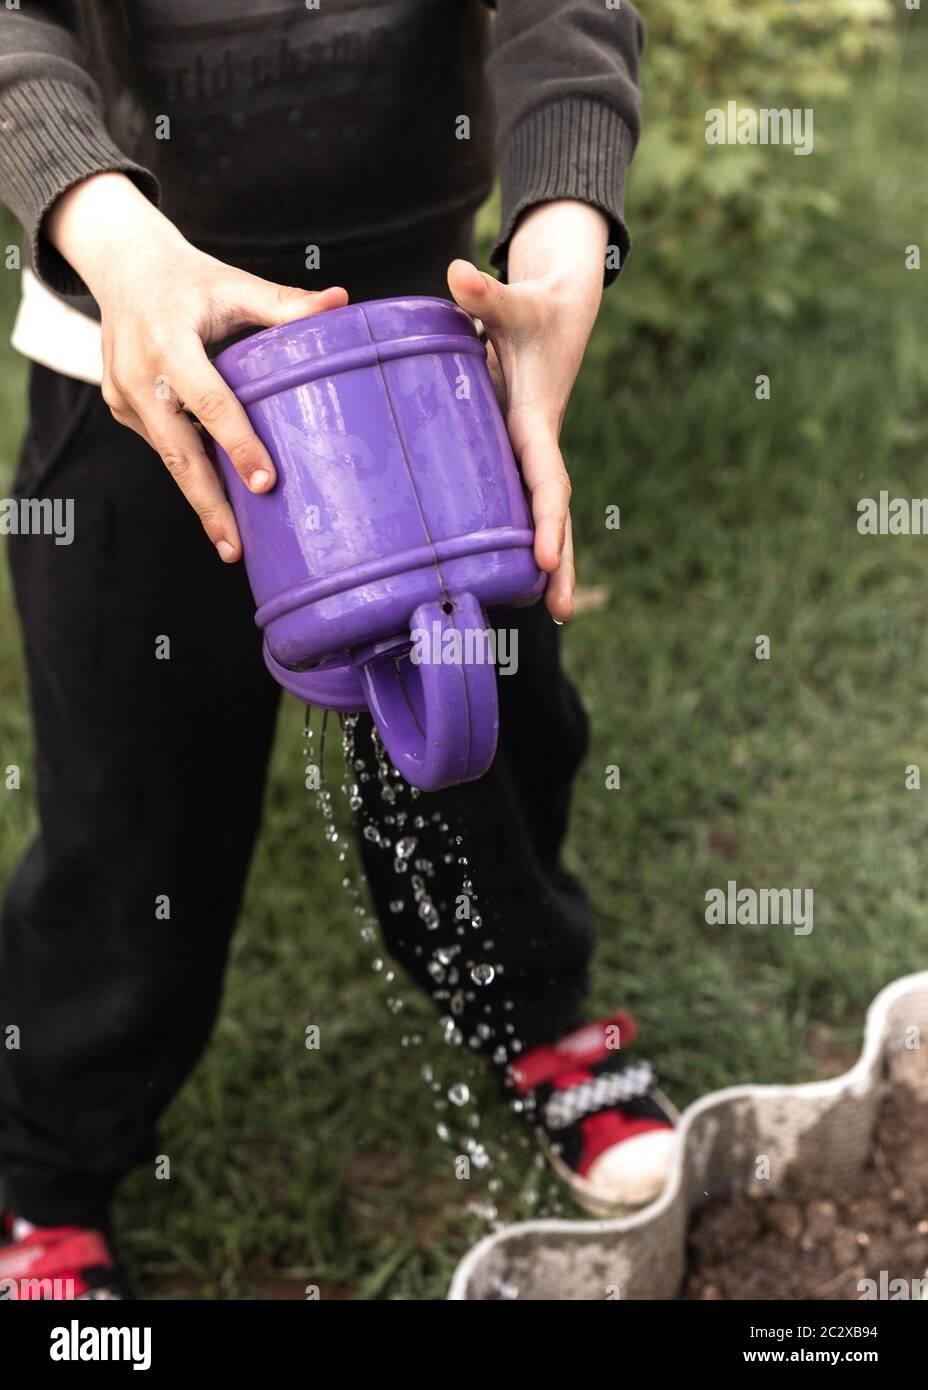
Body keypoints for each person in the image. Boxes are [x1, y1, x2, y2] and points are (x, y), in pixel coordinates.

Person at [0, 0, 674, 1301]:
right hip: (138, 363)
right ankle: (50, 1165)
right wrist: (110, 226)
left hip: (411, 344)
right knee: (130, 810)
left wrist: (561, 238)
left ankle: (533, 1008)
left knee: (491, 723)